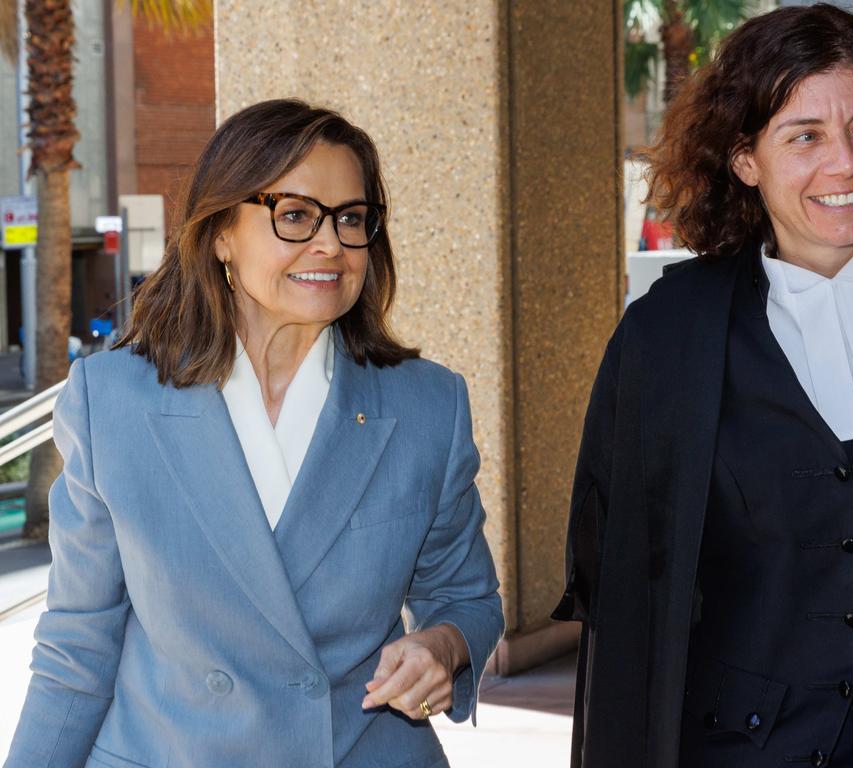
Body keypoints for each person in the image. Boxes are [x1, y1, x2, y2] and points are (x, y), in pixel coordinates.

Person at [553, 5, 853, 768]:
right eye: (804, 136)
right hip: (738, 749)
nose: (846, 163)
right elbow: (627, 582)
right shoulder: (668, 334)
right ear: (745, 158)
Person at [4, 99, 503, 768]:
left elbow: (466, 599)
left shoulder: (426, 406)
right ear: (220, 234)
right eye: (294, 215)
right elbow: (78, 642)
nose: (330, 243)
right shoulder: (113, 402)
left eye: (351, 219)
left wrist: (442, 647)